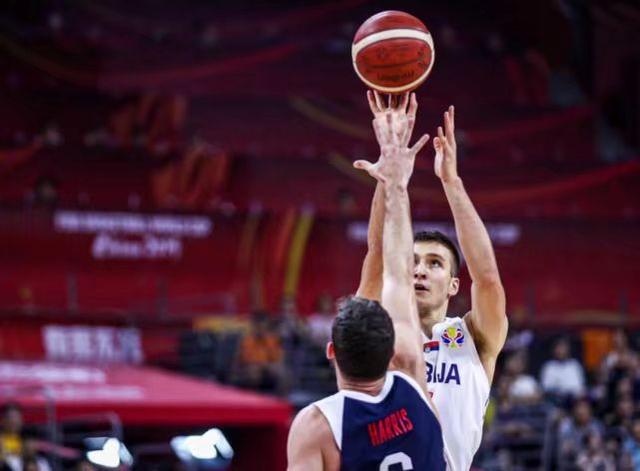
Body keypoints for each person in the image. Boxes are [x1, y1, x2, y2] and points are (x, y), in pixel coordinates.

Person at [356, 91, 508, 470]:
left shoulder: (474, 338)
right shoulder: (381, 334)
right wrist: (389, 177)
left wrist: (451, 182)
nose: (420, 270)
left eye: (435, 263)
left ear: (454, 285)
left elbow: (487, 279)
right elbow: (376, 254)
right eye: (412, 262)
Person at [287, 109, 445, 469]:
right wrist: (395, 183)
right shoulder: (412, 376)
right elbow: (397, 271)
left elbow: (384, 265)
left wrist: (390, 181)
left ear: (331, 351)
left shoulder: (317, 427)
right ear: (392, 351)